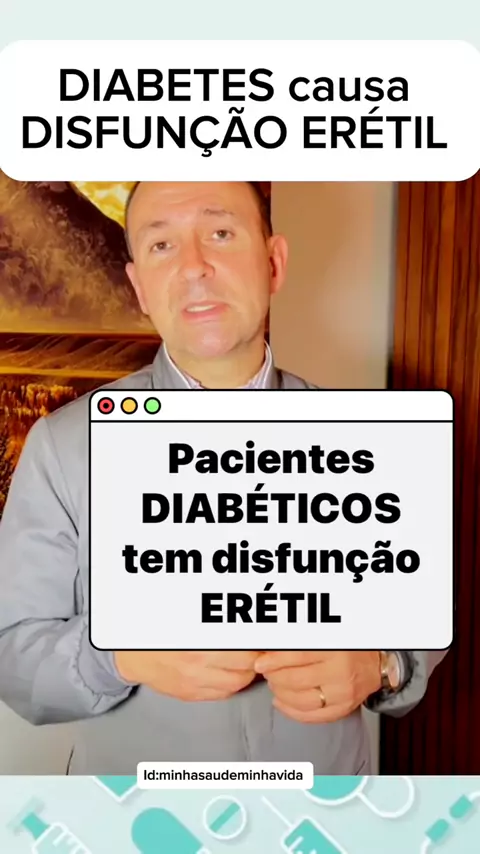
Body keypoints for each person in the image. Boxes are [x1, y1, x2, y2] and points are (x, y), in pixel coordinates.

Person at [0, 181, 446, 774]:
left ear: (273, 263)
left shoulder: (367, 438)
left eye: (220, 232)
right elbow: (14, 655)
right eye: (162, 245)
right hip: (133, 812)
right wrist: (122, 656)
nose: (194, 267)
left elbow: (423, 614)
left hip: (327, 806)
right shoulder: (62, 447)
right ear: (139, 287)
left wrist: (383, 663)